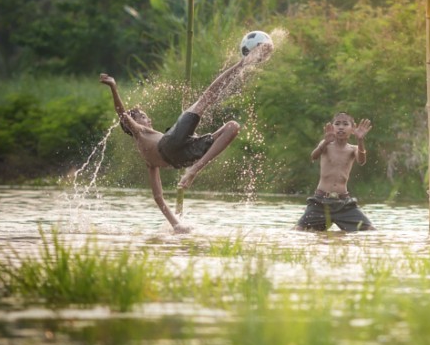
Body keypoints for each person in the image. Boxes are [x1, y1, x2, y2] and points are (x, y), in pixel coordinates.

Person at [100, 43, 272, 233]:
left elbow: (158, 197)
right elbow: (122, 114)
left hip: (182, 158)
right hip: (171, 144)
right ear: (134, 125)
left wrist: (176, 224)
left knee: (232, 127)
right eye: (142, 115)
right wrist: (114, 88)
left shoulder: (147, 158)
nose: (147, 117)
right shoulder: (140, 132)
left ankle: (194, 170)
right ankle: (242, 64)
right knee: (207, 97)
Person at [294, 112, 376, 232]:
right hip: (320, 201)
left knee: (370, 230)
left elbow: (361, 161)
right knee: (298, 230)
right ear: (332, 128)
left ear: (353, 129)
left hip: (344, 204)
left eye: (345, 124)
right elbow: (313, 156)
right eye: (337, 124)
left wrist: (360, 140)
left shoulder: (353, 149)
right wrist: (325, 142)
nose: (341, 127)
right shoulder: (326, 145)